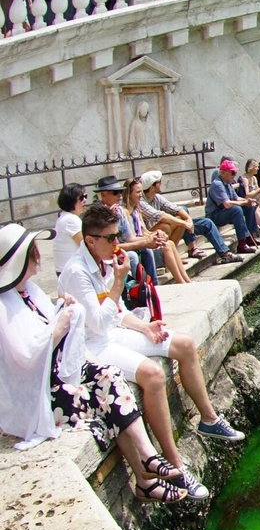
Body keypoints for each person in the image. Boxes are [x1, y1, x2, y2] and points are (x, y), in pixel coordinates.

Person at [57, 205, 246, 497]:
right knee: (153, 375)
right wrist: (119, 281)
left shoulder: (104, 259)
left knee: (182, 343)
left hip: (112, 333)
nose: (116, 243)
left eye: (117, 235)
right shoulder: (76, 272)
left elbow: (118, 313)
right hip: (91, 345)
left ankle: (209, 420)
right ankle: (177, 467)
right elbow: (95, 323)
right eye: (110, 238)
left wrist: (143, 327)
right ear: (90, 240)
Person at [0, 224, 192, 501]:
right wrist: (60, 324)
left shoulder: (29, 291)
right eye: (32, 252)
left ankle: (148, 463)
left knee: (111, 377)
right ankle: (146, 476)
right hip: (36, 394)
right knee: (107, 397)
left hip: (55, 374)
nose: (38, 257)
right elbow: (26, 357)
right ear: (20, 260)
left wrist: (59, 312)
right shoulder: (5, 304)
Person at [139, 171, 240, 264]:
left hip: (170, 231)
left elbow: (176, 209)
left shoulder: (157, 197)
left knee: (205, 222)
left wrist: (188, 220)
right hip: (150, 234)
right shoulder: (141, 202)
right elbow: (159, 216)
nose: (161, 183)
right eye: (159, 182)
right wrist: (185, 223)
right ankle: (185, 251)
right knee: (168, 225)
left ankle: (225, 253)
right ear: (152, 187)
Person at [123, 177, 191, 284]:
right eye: (138, 192)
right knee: (167, 246)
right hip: (137, 245)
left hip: (142, 240)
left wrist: (156, 233)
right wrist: (151, 238)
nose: (141, 195)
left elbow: (144, 231)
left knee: (170, 243)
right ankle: (181, 281)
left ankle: (186, 280)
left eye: (141, 191)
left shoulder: (137, 209)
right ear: (129, 193)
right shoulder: (125, 212)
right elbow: (132, 237)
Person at [94, 176, 158, 283]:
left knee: (147, 249)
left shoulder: (120, 211)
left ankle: (152, 286)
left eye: (120, 192)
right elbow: (107, 243)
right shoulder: (97, 214)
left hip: (121, 247)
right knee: (132, 256)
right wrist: (110, 219)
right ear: (103, 194)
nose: (119, 195)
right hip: (105, 251)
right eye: (115, 192)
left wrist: (152, 238)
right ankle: (134, 289)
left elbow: (130, 238)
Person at [206, 159, 259, 253]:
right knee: (237, 210)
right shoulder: (217, 184)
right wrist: (244, 202)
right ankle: (242, 244)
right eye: (233, 173)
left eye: (235, 173)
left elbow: (236, 198)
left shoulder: (228, 183)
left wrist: (248, 201)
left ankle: (250, 237)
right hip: (215, 215)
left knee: (249, 207)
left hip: (224, 212)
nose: (234, 175)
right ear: (223, 172)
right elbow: (226, 204)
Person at [52, 183, 88, 274]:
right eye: (81, 198)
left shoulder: (65, 217)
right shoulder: (71, 220)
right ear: (71, 201)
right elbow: (86, 245)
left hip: (67, 270)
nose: (85, 200)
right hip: (72, 272)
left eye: (85, 196)